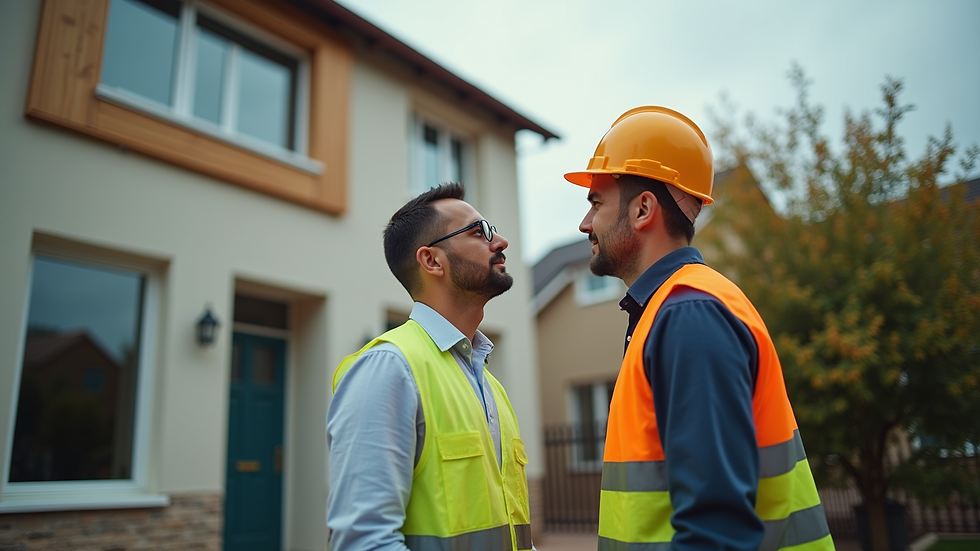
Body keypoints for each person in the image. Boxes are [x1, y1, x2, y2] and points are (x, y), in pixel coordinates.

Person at [565, 107, 835, 551]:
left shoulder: (687, 314)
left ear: (643, 210)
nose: (585, 223)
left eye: (596, 203)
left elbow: (716, 534)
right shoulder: (673, 309)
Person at [326, 183, 533, 551]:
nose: (499, 241)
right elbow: (364, 542)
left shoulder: (491, 385)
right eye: (478, 232)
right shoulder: (389, 369)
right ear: (432, 260)